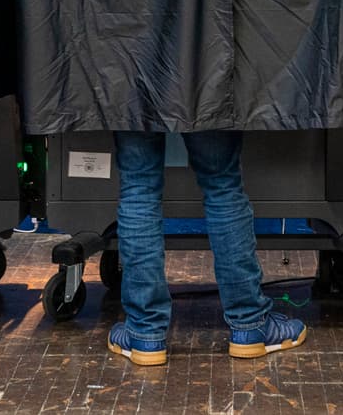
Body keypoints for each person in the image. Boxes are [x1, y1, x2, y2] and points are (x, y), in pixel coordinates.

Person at [106, 130, 307, 366]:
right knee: (222, 184)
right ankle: (249, 325)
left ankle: (144, 334)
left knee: (138, 188)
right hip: (207, 95)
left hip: (135, 95)